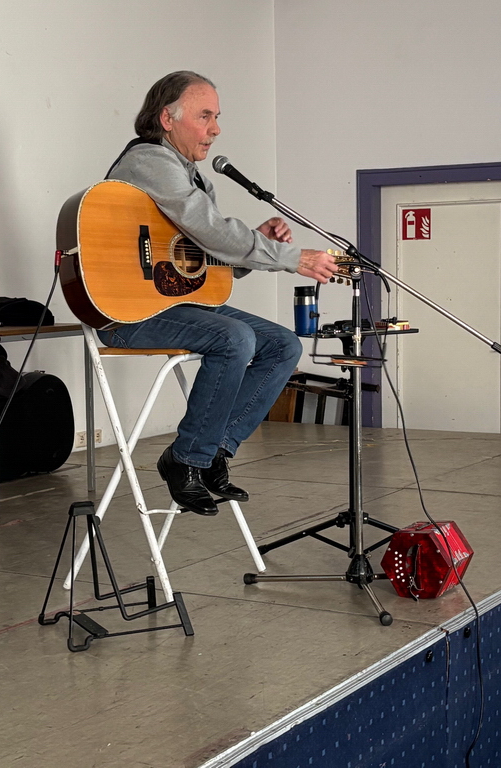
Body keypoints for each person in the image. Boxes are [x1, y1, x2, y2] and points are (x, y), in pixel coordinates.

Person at [101, 70, 339, 516]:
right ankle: (186, 459)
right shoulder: (150, 162)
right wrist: (288, 256)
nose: (216, 129)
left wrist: (254, 242)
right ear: (167, 119)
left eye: (217, 117)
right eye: (205, 116)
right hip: (126, 313)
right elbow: (211, 229)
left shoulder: (192, 177)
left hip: (175, 304)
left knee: (283, 345)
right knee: (234, 338)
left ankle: (214, 451)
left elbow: (206, 259)